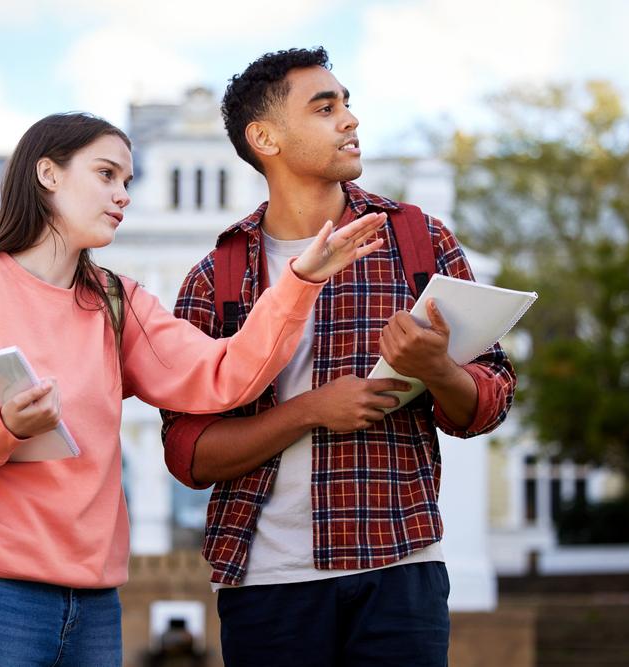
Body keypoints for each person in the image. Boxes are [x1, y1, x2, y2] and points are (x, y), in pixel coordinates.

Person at [0, 112, 387, 667]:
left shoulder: (118, 303)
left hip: (96, 609)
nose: (122, 195)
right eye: (106, 175)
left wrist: (301, 280)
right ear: (47, 173)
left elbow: (225, 375)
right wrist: (3, 430)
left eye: (127, 180)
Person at [160, 48, 517, 667]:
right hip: (268, 586)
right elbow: (188, 455)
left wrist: (437, 369)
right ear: (264, 137)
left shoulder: (417, 240)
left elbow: (488, 403)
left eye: (346, 103)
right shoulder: (215, 277)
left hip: (401, 572)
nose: (350, 119)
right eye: (325, 108)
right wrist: (309, 411)